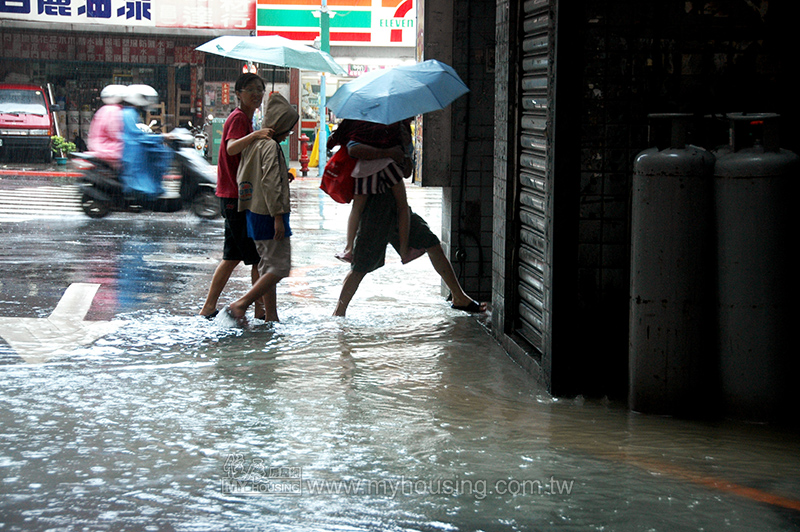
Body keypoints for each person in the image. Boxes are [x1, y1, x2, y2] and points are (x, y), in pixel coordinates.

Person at [331, 126, 487, 317]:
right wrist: (403, 249)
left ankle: (459, 296)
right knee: (360, 266)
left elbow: (405, 175)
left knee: (431, 242)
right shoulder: (371, 138)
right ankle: (339, 312)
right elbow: (398, 205)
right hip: (376, 216)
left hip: (391, 212)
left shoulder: (394, 140)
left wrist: (405, 148)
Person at [199, 74, 274, 320]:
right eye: (250, 89)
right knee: (257, 258)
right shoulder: (240, 118)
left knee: (231, 256)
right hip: (235, 198)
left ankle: (208, 307)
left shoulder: (246, 120)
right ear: (238, 94)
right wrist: (256, 136)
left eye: (260, 90)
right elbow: (232, 147)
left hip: (232, 196)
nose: (256, 94)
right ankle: (260, 309)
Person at [225, 93, 299, 324]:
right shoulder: (270, 146)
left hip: (253, 213)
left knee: (268, 266)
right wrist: (278, 216)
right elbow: (269, 182)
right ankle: (241, 304)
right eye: (288, 128)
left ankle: (271, 316)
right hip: (269, 214)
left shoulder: (254, 143)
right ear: (280, 126)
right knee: (279, 268)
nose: (289, 133)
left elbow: (251, 175)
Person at [328, 119, 414, 264]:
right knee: (402, 206)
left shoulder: (357, 119)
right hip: (388, 166)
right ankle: (404, 251)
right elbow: (405, 162)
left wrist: (336, 135)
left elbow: (338, 143)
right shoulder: (398, 122)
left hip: (363, 168)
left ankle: (349, 249)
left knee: (357, 208)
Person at [118, 84, 173, 199]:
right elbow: (136, 136)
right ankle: (148, 188)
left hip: (135, 145)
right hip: (132, 150)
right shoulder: (129, 113)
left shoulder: (131, 113)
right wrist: (161, 137)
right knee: (160, 153)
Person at [86, 84, 125, 167]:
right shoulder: (115, 110)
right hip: (109, 152)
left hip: (97, 149)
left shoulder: (103, 109)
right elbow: (115, 133)